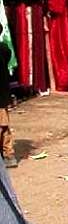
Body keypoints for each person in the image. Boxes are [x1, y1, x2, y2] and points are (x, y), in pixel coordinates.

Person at [1, 24, 14, 168]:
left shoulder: (3, 49)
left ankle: (8, 154)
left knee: (3, 127)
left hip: (1, 98)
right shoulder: (4, 49)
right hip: (3, 96)